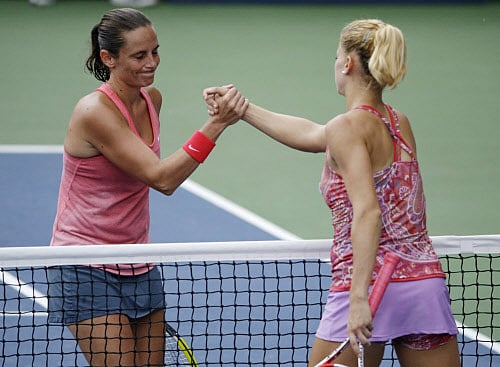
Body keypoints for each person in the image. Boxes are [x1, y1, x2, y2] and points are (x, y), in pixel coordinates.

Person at [204, 19, 461, 367]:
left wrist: (358, 299)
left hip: (367, 286)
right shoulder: (399, 123)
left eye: (336, 55)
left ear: (347, 63)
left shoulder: (346, 128)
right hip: (422, 287)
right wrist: (243, 108)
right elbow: (311, 133)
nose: (335, 63)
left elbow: (368, 212)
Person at [47, 7, 247, 367]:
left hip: (139, 262)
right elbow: (162, 178)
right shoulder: (94, 112)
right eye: (139, 55)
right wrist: (216, 125)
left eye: (155, 51)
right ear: (108, 58)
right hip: (86, 264)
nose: (152, 62)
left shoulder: (151, 99)